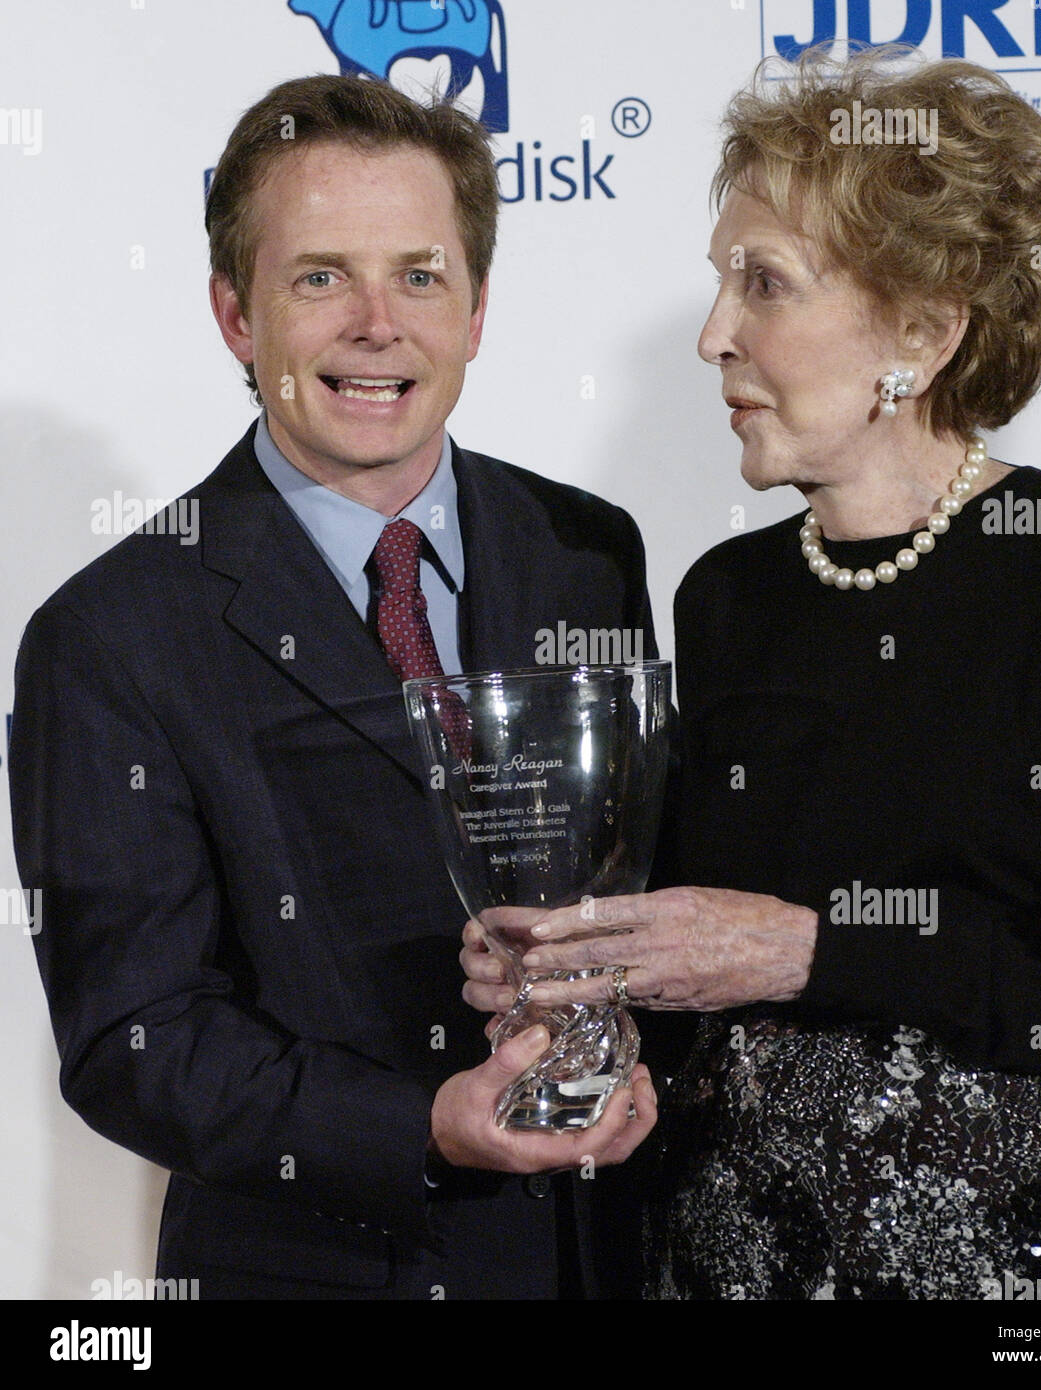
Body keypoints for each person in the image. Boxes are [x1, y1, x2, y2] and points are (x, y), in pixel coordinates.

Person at [461, 51, 1041, 1299]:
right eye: (720, 283)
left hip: (1008, 1242)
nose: (712, 334)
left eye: (765, 285)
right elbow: (695, 976)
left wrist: (810, 950)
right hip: (736, 1242)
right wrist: (585, 984)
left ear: (922, 330)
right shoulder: (725, 597)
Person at [8, 74, 657, 1301]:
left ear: (476, 310)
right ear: (235, 316)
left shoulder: (588, 549)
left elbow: (635, 884)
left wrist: (632, 1034)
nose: (377, 323)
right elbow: (132, 1040)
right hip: (315, 1272)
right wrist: (424, 1124)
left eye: (419, 273)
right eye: (320, 277)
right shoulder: (109, 632)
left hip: (595, 1261)